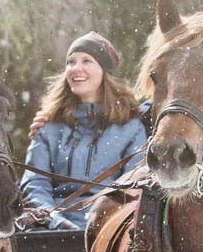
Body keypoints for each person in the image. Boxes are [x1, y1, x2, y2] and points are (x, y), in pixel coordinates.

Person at [21, 32, 148, 229]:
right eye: (71, 62)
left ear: (104, 71)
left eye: (86, 61)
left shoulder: (130, 127)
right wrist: (54, 221)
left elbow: (133, 186)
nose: (76, 68)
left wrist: (100, 224)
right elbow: (35, 184)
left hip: (108, 229)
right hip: (49, 230)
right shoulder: (49, 126)